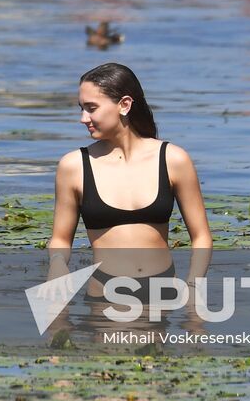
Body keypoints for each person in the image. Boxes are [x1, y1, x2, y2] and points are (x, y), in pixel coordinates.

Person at [47, 63, 212, 328]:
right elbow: (60, 239)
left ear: (124, 105)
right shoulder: (74, 166)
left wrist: (194, 289)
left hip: (163, 294)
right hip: (104, 295)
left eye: (91, 108)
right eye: (81, 109)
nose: (83, 119)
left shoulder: (173, 159)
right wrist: (57, 264)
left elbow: (201, 236)